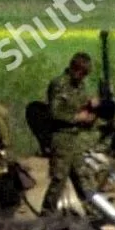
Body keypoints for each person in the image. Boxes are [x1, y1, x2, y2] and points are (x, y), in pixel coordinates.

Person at [42, 51, 101, 214]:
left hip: (75, 138)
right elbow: (54, 113)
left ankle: (92, 212)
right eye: (81, 72)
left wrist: (91, 107)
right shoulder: (59, 84)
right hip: (61, 138)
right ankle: (47, 214)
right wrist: (76, 117)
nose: (82, 77)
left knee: (82, 177)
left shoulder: (80, 86)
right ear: (74, 69)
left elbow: (80, 105)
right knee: (59, 179)